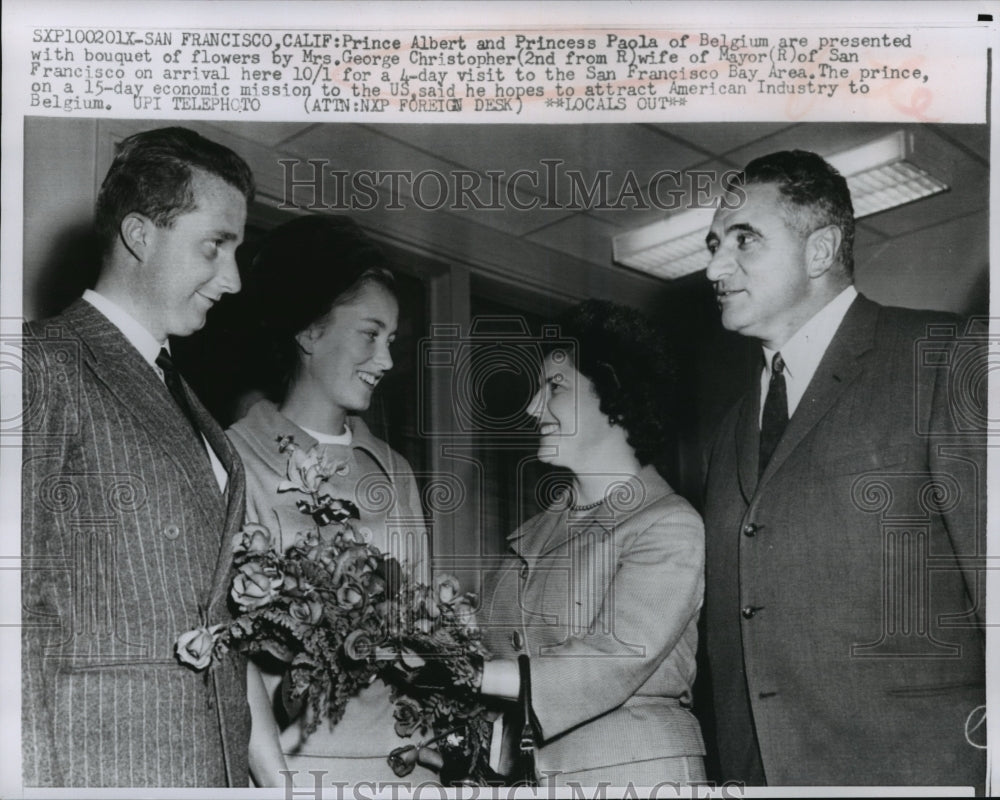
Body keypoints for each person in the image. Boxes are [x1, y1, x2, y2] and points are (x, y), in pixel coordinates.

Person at [702, 150, 985, 787]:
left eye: (745, 241)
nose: (715, 266)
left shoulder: (942, 358)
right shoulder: (727, 432)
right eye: (714, 243)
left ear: (821, 250)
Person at [20, 127, 264, 786]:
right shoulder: (42, 362)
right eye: (215, 245)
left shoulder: (177, 387)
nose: (233, 279)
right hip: (106, 765)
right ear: (140, 235)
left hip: (205, 761)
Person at [225, 215, 434, 786]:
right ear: (309, 331)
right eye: (370, 334)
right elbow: (230, 653)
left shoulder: (395, 473)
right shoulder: (233, 460)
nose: (386, 360)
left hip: (411, 768)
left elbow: (423, 633)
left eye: (391, 340)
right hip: (304, 770)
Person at [476, 300, 707, 787]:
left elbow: (614, 656)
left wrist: (472, 674)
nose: (532, 407)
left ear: (615, 396)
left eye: (554, 387)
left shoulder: (668, 525)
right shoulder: (533, 534)